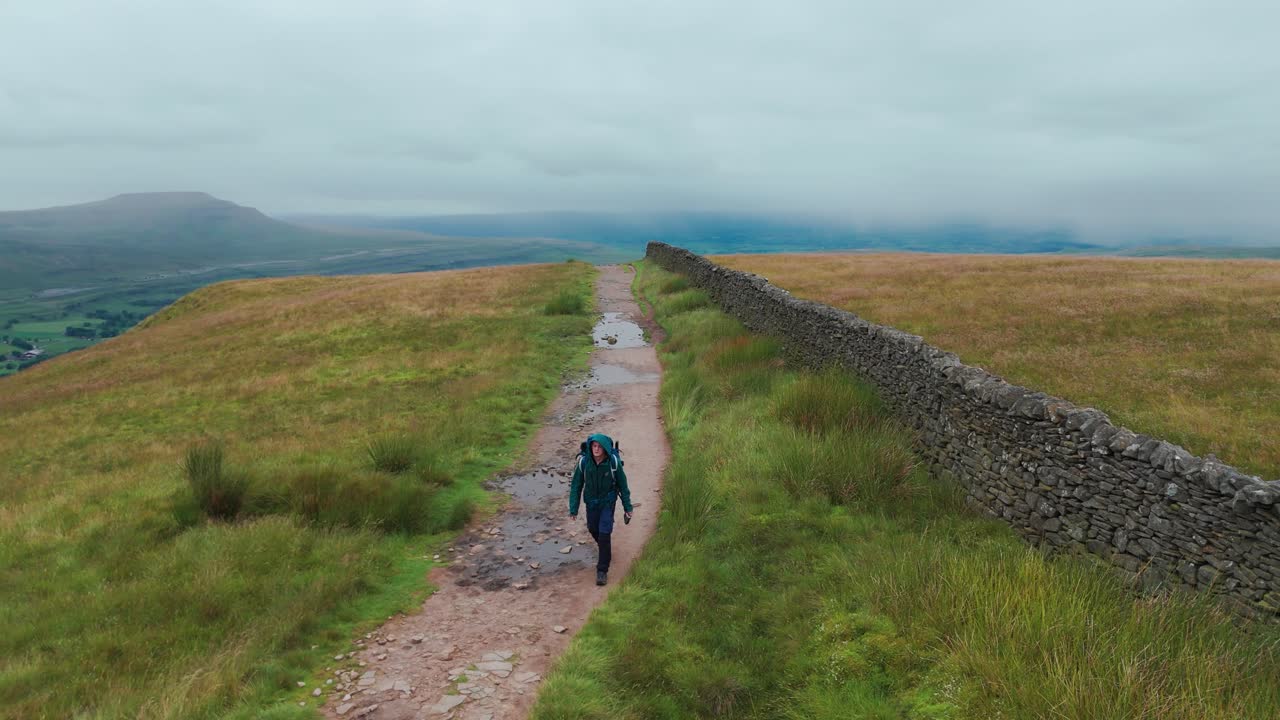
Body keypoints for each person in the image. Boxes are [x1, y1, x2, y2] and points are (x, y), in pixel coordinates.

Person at [568, 433, 633, 586]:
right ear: (590, 447)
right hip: (591, 503)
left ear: (605, 449)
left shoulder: (613, 463)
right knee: (592, 528)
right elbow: (576, 486)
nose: (596, 449)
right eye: (594, 446)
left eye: (599, 447)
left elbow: (623, 486)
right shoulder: (584, 462)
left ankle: (602, 570)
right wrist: (573, 509)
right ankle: (605, 548)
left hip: (607, 502)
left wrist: (627, 507)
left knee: (604, 532)